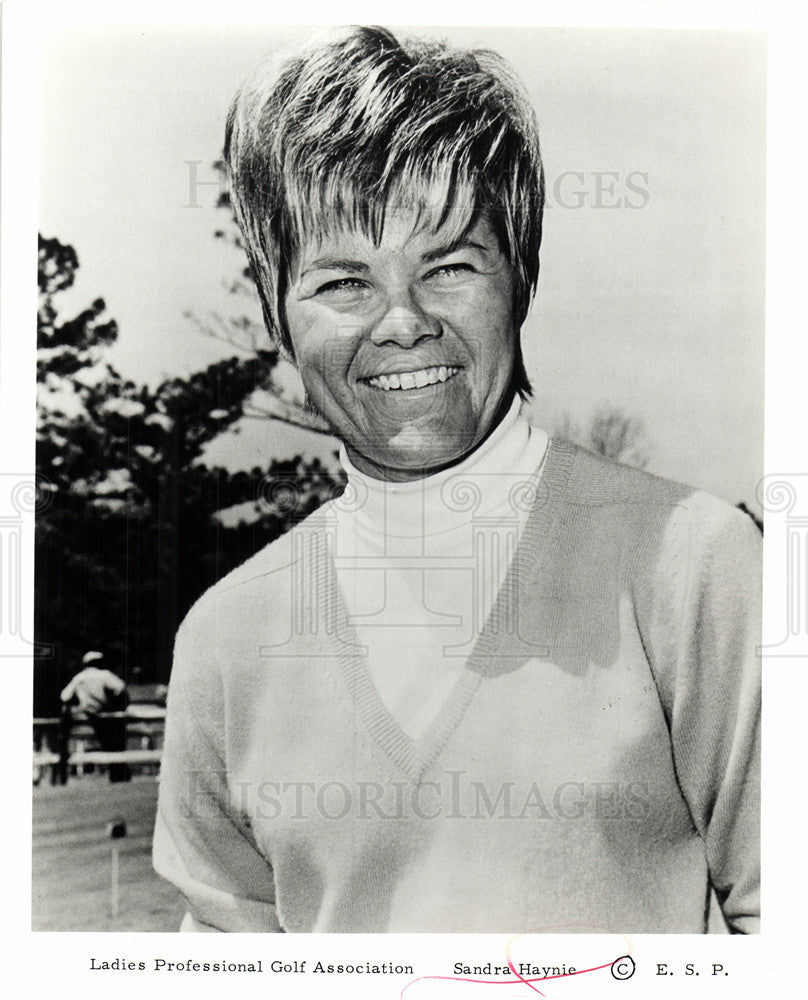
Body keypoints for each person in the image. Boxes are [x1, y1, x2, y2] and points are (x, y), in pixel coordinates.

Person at [153, 26, 760, 934]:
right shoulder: (225, 639)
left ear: (521, 281)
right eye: (343, 283)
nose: (401, 322)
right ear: (278, 313)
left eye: (449, 267)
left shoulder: (693, 563)